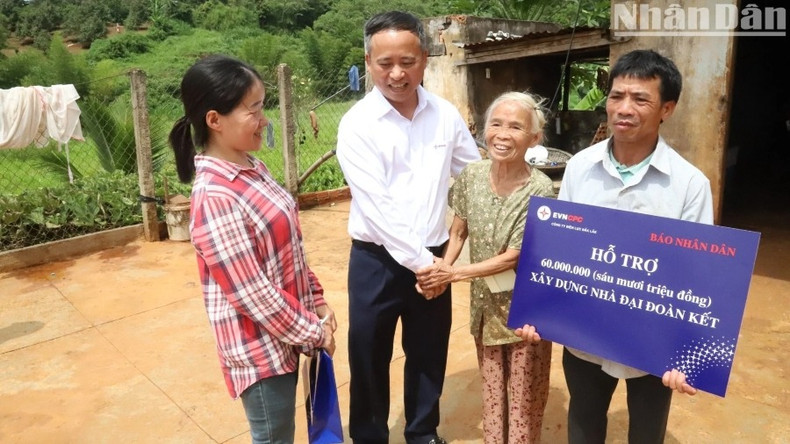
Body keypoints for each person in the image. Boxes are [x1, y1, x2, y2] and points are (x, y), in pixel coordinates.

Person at [516, 49, 711, 443]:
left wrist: (685, 354)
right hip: (585, 335)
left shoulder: (690, 184)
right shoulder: (579, 167)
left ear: (666, 109)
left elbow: (694, 276)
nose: (624, 108)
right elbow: (561, 252)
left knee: (646, 433)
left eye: (640, 99)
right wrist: (540, 309)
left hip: (650, 345)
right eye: (617, 96)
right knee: (584, 424)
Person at [169, 54, 337, 444]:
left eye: (263, 106)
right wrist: (312, 331)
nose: (264, 119)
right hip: (259, 350)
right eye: (254, 109)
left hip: (288, 331)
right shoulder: (215, 195)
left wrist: (316, 298)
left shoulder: (253, 168)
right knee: (274, 437)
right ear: (215, 120)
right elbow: (251, 293)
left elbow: (289, 247)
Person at [335, 11, 481, 444]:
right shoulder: (357, 126)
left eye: (408, 61)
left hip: (436, 257)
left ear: (425, 58)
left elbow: (472, 177)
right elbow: (378, 208)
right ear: (368, 61)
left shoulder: (445, 115)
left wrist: (447, 260)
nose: (397, 74)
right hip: (376, 263)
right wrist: (427, 267)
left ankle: (422, 433)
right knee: (368, 355)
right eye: (385, 64)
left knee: (428, 353)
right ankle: (369, 436)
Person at [416, 91, 555, 444]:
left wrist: (454, 274)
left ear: (534, 138)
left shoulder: (540, 189)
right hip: (485, 307)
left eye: (515, 127)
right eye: (496, 124)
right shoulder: (472, 176)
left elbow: (514, 256)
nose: (503, 134)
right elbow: (458, 231)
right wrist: (441, 271)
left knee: (523, 398)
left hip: (527, 313)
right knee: (492, 392)